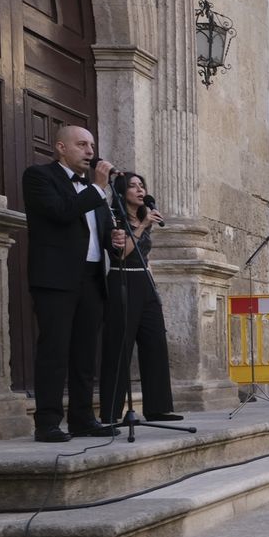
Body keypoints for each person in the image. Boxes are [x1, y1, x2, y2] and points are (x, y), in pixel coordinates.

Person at [21, 124, 118, 443]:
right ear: (61, 147)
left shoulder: (96, 191)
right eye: (81, 145)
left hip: (91, 278)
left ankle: (82, 418)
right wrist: (98, 189)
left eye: (91, 145)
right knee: (54, 350)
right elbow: (60, 213)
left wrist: (114, 240)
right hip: (56, 279)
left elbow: (99, 232)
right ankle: (47, 422)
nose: (90, 151)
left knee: (85, 354)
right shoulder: (39, 176)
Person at [99, 172, 180, 425]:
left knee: (155, 343)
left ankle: (158, 407)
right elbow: (121, 254)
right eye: (133, 186)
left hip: (144, 281)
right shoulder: (115, 218)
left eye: (141, 185)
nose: (139, 190)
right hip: (122, 280)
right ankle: (111, 412)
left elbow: (145, 255)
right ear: (122, 193)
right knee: (119, 346)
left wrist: (154, 287)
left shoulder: (144, 216)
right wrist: (143, 225)